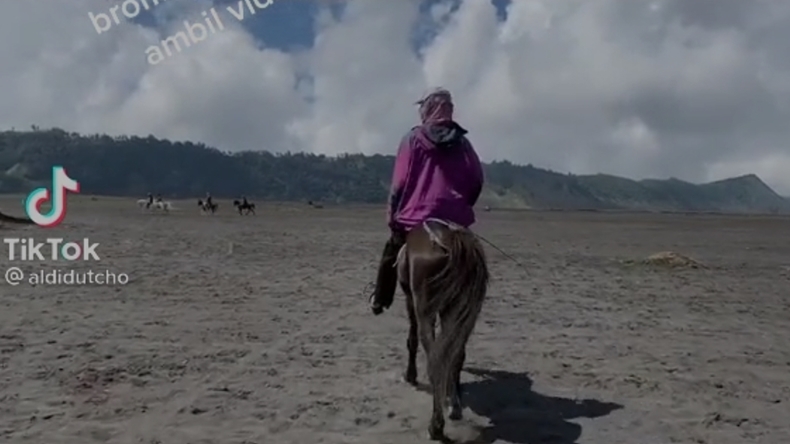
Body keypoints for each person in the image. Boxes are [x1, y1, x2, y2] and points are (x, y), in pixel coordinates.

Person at [368, 87, 484, 315]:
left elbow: (400, 182)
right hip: (455, 217)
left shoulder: (412, 139)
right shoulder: (463, 143)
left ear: (427, 109)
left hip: (417, 214)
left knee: (392, 248)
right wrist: (465, 205)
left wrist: (392, 215)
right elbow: (477, 178)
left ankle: (380, 298)